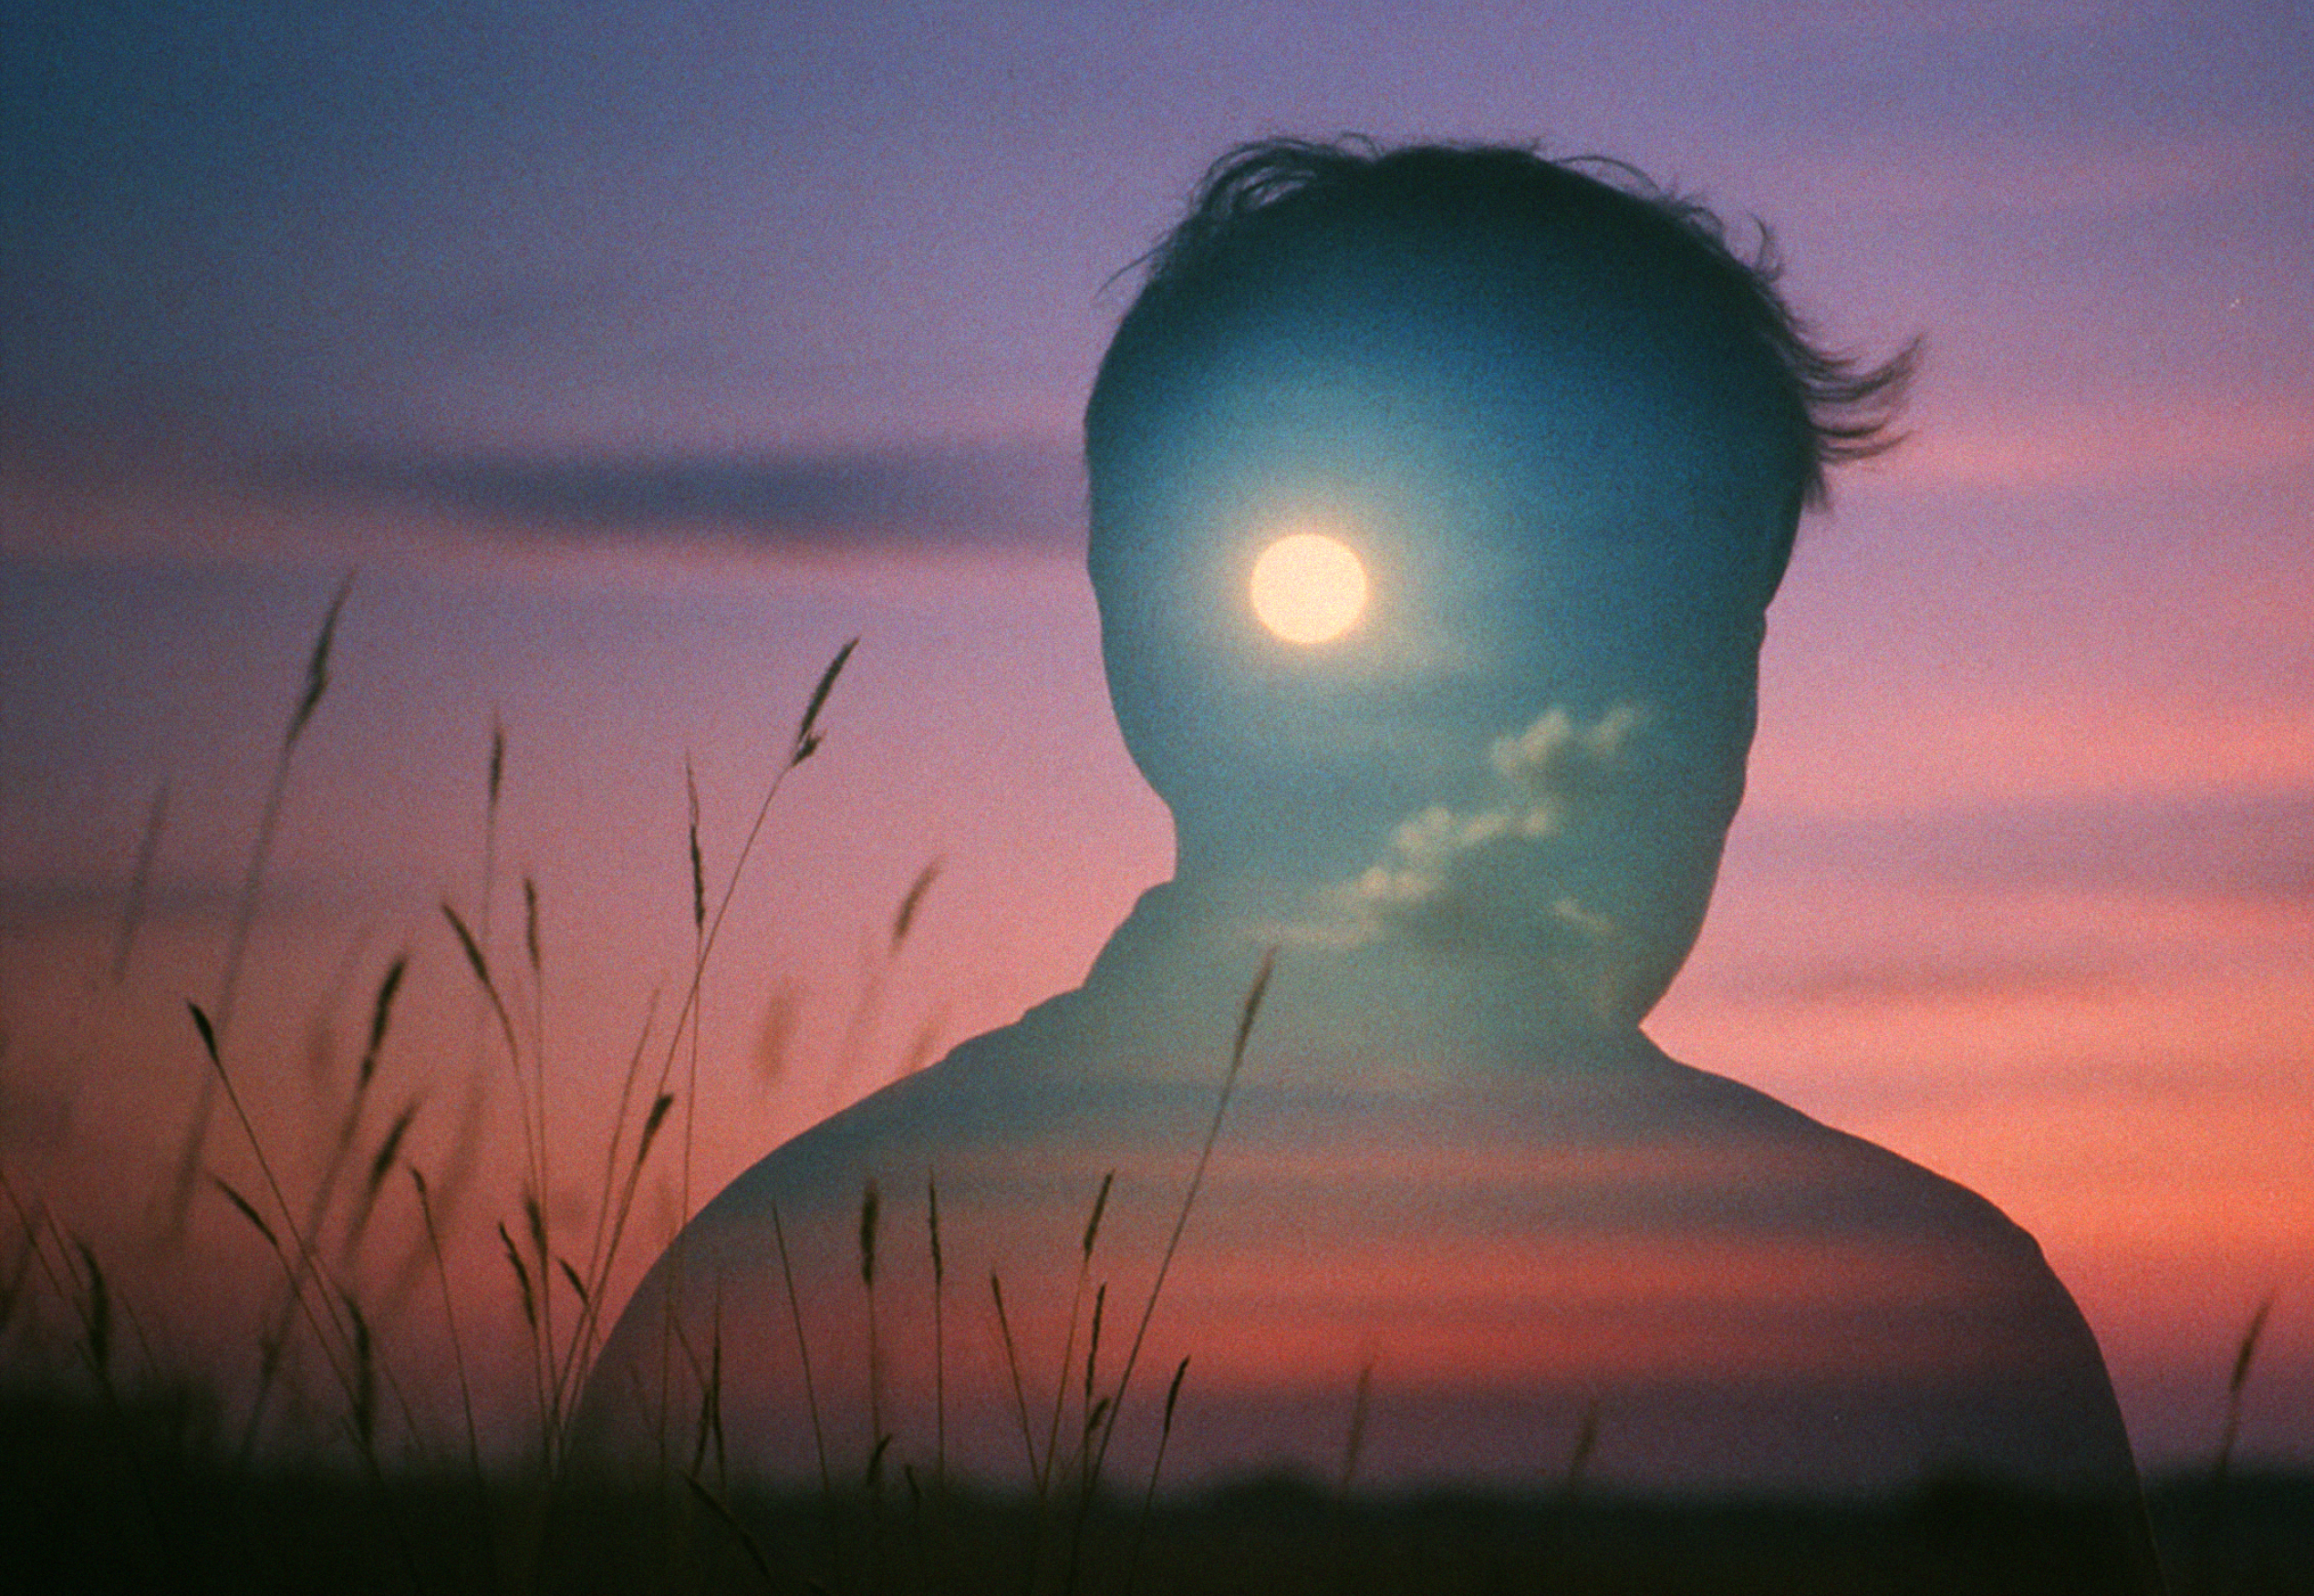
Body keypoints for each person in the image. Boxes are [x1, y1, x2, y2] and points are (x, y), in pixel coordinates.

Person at [577, 140, 2160, 1591]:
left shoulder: (779, 1289)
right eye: (1502, 607)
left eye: (1680, 623)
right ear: (1162, 656)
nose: (1598, 726)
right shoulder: (1916, 1325)